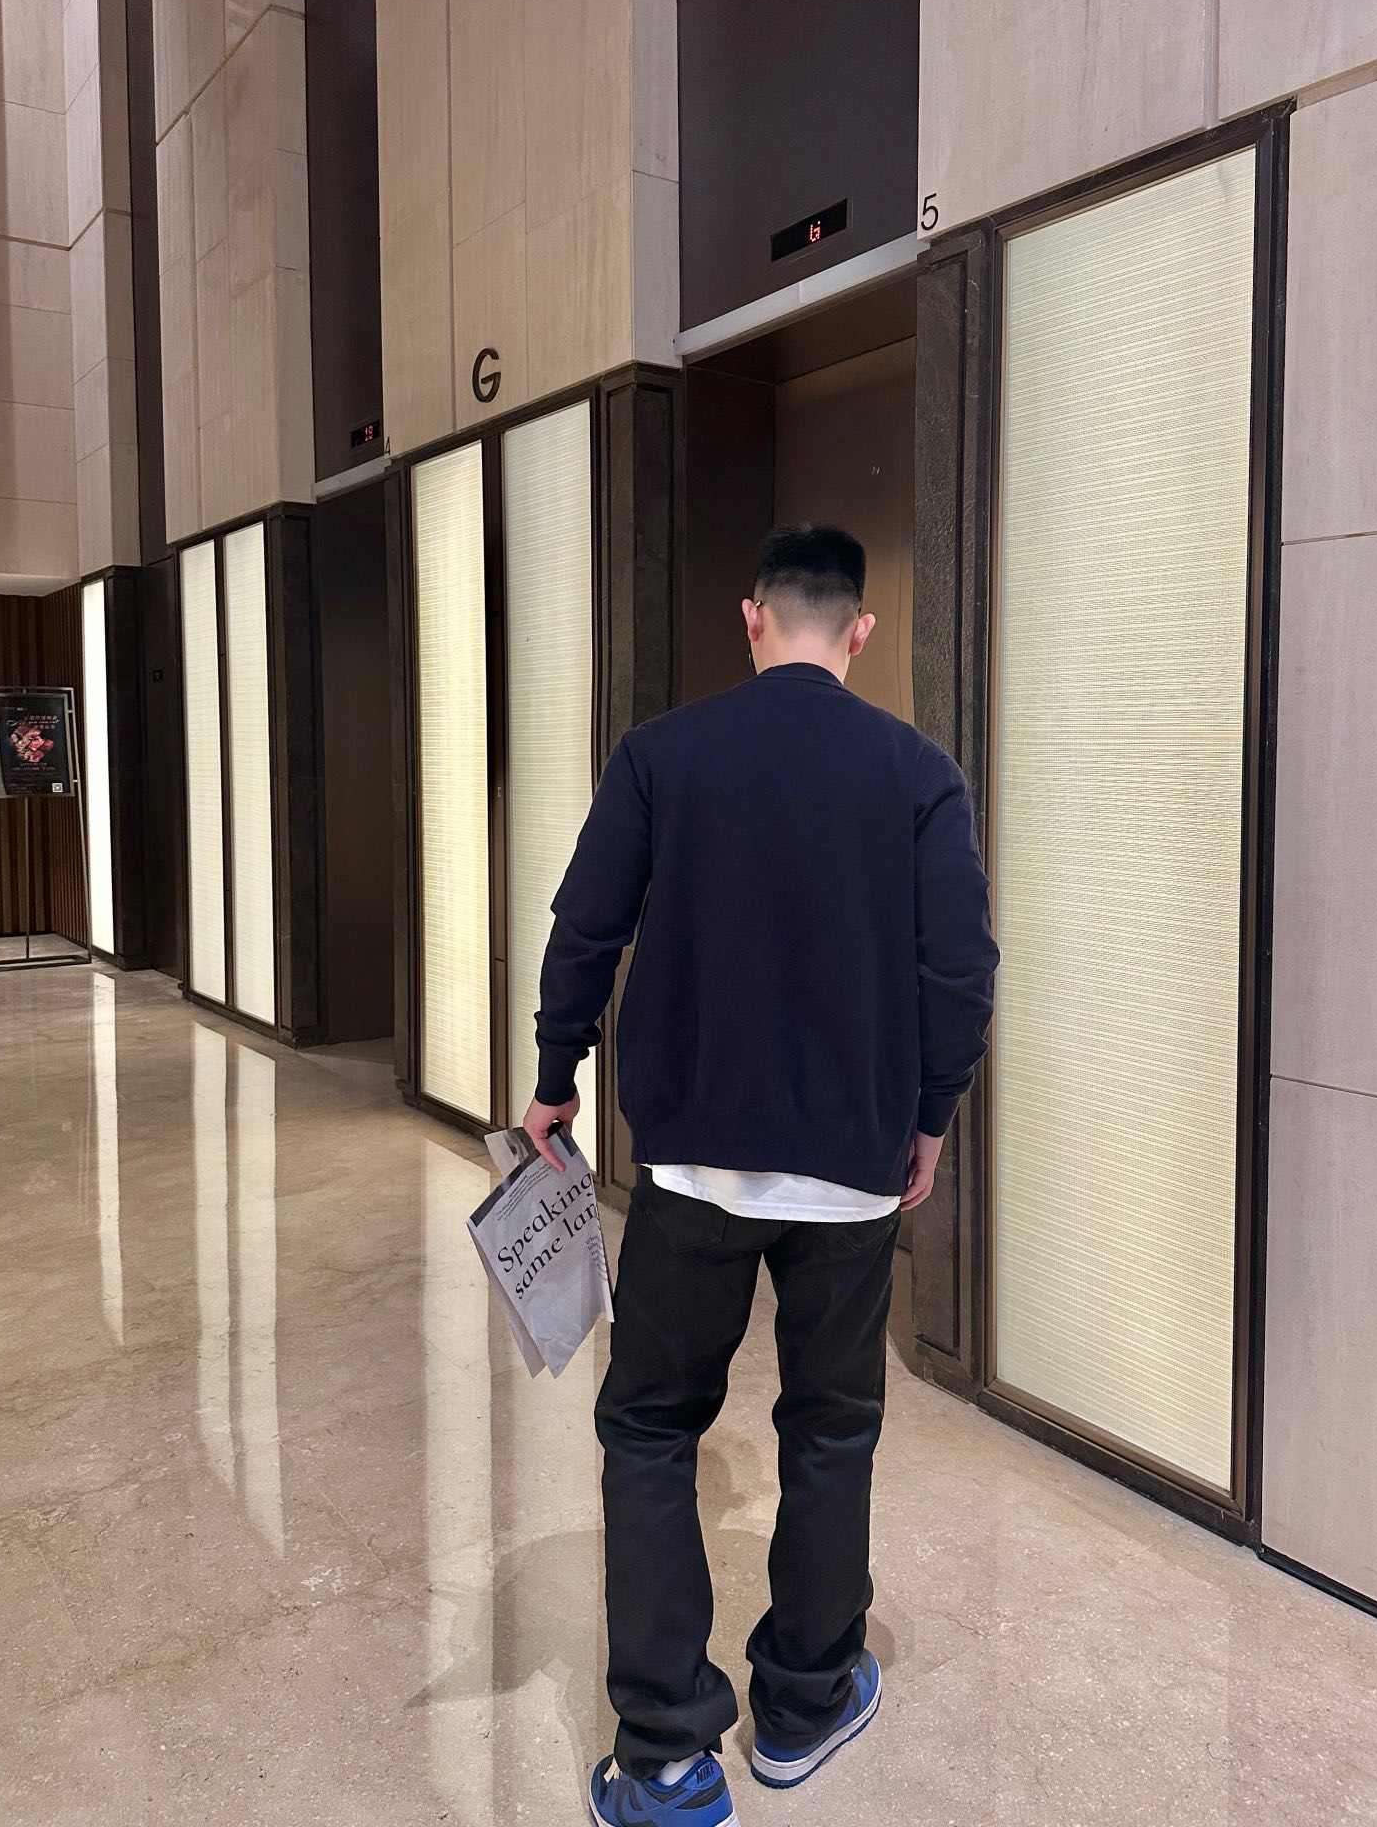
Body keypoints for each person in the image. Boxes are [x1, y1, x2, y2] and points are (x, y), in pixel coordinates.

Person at [523, 525, 999, 1827]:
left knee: (650, 1428)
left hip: (691, 1167)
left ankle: (667, 1763)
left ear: (751, 618)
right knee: (831, 1428)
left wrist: (557, 1073)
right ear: (860, 632)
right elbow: (960, 971)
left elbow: (586, 926)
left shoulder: (663, 756)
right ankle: (801, 1706)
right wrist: (931, 1118)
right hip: (852, 1173)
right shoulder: (917, 773)